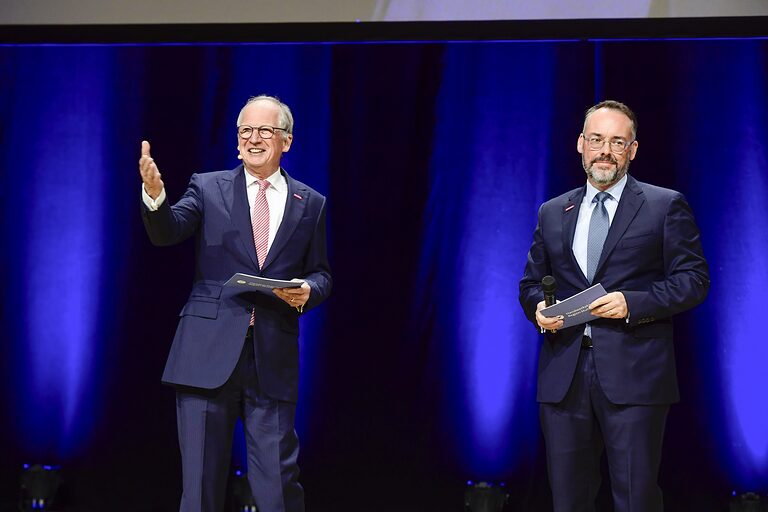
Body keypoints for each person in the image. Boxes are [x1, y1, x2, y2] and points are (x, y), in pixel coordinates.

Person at [138, 95, 331, 512]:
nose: (254, 139)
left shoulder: (310, 203)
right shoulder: (208, 187)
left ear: (287, 141)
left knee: (278, 489)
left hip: (271, 360)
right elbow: (168, 231)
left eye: (265, 131)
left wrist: (310, 290)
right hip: (205, 355)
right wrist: (155, 198)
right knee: (201, 491)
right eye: (246, 131)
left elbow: (322, 272)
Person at [519, 100, 709, 511]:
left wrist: (631, 303)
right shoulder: (553, 211)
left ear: (633, 150)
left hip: (635, 376)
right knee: (568, 502)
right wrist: (537, 309)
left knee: (635, 501)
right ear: (580, 144)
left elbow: (694, 281)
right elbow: (531, 283)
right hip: (564, 379)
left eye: (617, 142)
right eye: (597, 139)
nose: (606, 150)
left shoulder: (663, 205)